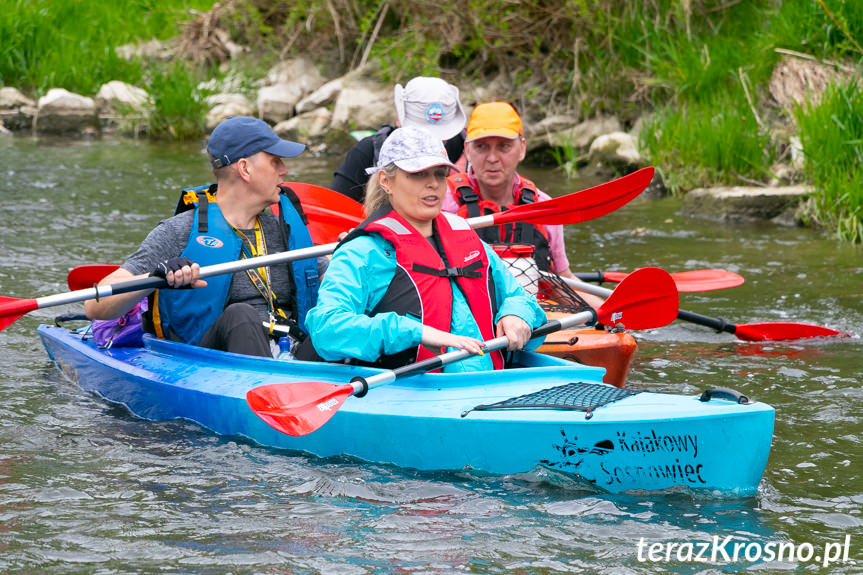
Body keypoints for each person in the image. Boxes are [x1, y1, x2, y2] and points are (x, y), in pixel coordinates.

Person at [302, 126, 547, 372]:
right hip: (413, 394)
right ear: (386, 181)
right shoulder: (363, 252)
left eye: (440, 174)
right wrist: (415, 332)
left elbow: (519, 297)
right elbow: (326, 328)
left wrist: (516, 314)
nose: (433, 184)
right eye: (418, 175)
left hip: (491, 383)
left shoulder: (466, 238)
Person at [84, 116, 321, 358]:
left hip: (292, 352)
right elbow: (96, 305)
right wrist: (156, 276)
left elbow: (334, 274)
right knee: (241, 315)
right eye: (275, 161)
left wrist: (353, 250)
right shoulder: (178, 232)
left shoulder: (284, 230)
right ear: (245, 168)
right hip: (215, 360)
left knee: (336, 324)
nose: (285, 171)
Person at [442, 101, 576, 282]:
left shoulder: (544, 206)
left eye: (504, 146)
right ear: (467, 150)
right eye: (481, 146)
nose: (492, 158)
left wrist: (608, 307)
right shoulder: (442, 202)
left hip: (535, 305)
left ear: (522, 149)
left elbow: (563, 277)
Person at [329, 76, 467, 203]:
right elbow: (334, 207)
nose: (430, 145)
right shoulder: (367, 153)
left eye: (440, 138)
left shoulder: (466, 148)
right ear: (398, 121)